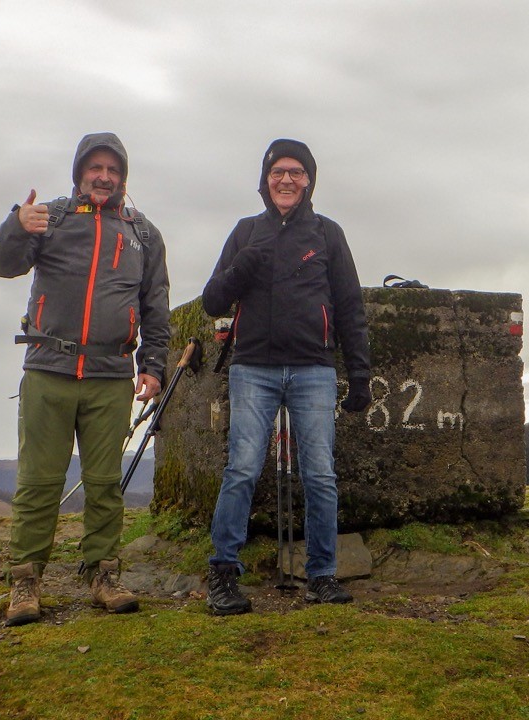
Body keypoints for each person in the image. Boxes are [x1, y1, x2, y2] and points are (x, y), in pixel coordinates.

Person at [0, 132, 171, 627]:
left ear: (123, 178)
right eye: (96, 168)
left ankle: (104, 575)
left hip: (111, 374)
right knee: (39, 482)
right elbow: (0, 264)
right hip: (49, 367)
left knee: (106, 482)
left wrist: (154, 367)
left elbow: (156, 306)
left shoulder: (144, 234)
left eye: (113, 170)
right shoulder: (50, 218)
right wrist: (16, 224)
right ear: (80, 172)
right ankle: (25, 581)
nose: (104, 176)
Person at [201, 139, 371, 615]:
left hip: (314, 369)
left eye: (297, 172)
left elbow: (350, 306)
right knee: (241, 469)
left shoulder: (327, 234)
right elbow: (213, 301)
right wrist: (243, 265)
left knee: (320, 474)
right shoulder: (245, 232)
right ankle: (223, 574)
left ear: (309, 180)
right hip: (252, 367)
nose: (287, 180)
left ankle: (321, 576)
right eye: (279, 171)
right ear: (265, 179)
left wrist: (360, 374)